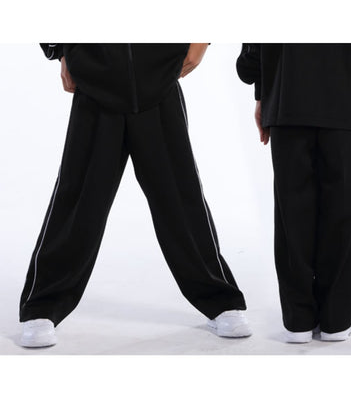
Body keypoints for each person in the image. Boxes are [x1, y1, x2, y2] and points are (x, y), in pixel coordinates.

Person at [20, 43, 251, 348]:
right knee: (78, 201)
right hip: (95, 77)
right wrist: (60, 49)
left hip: (159, 75)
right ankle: (41, 306)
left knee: (181, 198)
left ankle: (220, 300)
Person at [236, 43, 351, 343]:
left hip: (286, 91)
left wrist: (264, 88)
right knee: (340, 208)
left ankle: (298, 321)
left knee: (292, 211)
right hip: (345, 89)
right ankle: (336, 320)